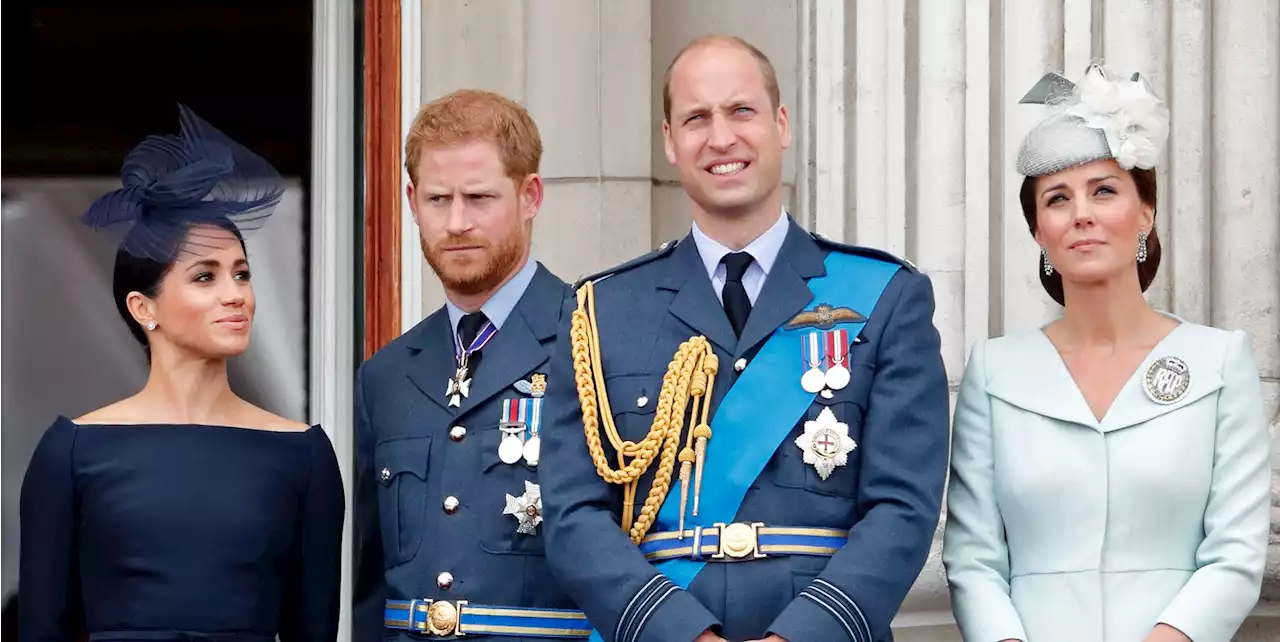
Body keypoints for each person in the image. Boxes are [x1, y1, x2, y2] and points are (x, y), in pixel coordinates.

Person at [538, 35, 950, 642]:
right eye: (696, 118)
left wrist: (801, 635)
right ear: (670, 142)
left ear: (781, 124)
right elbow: (574, 515)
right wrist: (681, 632)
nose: (721, 137)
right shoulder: (601, 310)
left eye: (741, 111)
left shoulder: (885, 296)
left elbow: (902, 509)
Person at [942, 65, 1271, 642]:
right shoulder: (994, 371)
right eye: (1057, 199)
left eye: (1104, 190)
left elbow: (1236, 552)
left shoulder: (1219, 362)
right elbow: (973, 558)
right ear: (1040, 232)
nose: (1082, 215)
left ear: (1145, 213)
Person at [19, 105, 345, 642]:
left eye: (241, 273)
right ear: (143, 308)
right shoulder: (71, 452)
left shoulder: (303, 454)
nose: (235, 294)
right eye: (205, 276)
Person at [352, 89, 589, 640]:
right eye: (438, 200)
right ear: (412, 202)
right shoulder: (385, 376)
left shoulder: (594, 341)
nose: (457, 222)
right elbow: (372, 588)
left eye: (479, 198)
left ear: (530, 196)